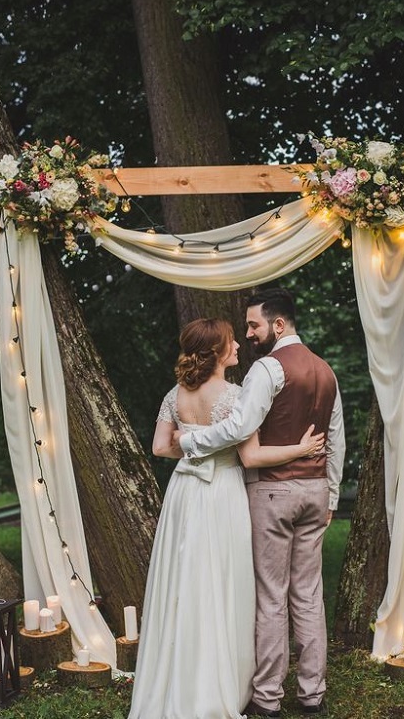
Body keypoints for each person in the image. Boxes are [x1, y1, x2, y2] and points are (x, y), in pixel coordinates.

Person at [127, 317, 325, 719]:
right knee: (222, 582)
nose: (238, 346)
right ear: (217, 352)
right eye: (232, 342)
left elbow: (160, 447)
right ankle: (218, 684)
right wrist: (299, 450)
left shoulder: (175, 393)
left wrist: (191, 447)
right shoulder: (236, 396)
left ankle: (174, 678)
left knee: (183, 582)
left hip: (184, 492)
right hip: (222, 493)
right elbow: (251, 457)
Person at [177, 289, 346, 718]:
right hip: (314, 492)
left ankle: (268, 698)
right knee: (308, 595)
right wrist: (331, 494)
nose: (249, 333)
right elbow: (337, 440)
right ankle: (313, 694)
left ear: (279, 325)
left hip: (272, 491)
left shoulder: (268, 368)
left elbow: (240, 427)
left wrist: (191, 440)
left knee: (271, 597)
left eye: (254, 325)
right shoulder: (326, 370)